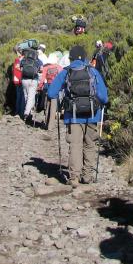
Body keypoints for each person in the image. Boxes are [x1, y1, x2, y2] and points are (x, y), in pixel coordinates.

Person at [47, 45, 109, 185]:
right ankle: (87, 176)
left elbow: (51, 93)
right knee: (90, 144)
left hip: (73, 115)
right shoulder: (92, 71)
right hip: (92, 114)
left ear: (70, 58)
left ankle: (74, 177)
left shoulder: (66, 72)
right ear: (84, 57)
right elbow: (104, 97)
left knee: (75, 145)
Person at [20, 46, 43, 124]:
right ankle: (27, 112)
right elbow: (41, 70)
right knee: (31, 97)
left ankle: (29, 113)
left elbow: (21, 69)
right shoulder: (38, 61)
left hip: (24, 79)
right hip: (34, 80)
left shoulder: (24, 60)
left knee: (26, 96)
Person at [12, 48, 24, 117]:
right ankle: (21, 112)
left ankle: (17, 112)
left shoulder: (17, 60)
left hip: (17, 80)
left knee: (19, 96)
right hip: (22, 80)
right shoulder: (24, 60)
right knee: (22, 97)